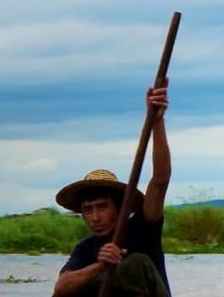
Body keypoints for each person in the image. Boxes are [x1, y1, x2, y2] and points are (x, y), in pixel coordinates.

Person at [53, 81, 172, 297]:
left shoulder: (142, 228)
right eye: (88, 210)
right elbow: (60, 288)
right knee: (73, 287)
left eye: (102, 207)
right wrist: (100, 266)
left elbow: (160, 180)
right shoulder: (86, 250)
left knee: (135, 263)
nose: (95, 217)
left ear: (119, 208)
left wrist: (157, 121)